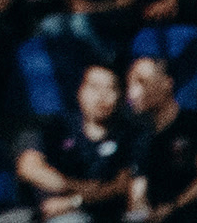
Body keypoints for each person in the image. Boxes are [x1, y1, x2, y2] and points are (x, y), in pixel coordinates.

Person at [16, 64, 136, 223]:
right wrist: (78, 187)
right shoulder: (56, 127)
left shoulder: (129, 134)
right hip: (44, 213)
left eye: (110, 88)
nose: (102, 96)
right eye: (94, 87)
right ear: (80, 90)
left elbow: (120, 186)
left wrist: (75, 200)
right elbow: (29, 168)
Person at [125, 57, 197, 223]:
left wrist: (172, 207)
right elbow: (138, 186)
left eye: (142, 82)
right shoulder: (140, 138)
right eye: (130, 84)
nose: (133, 92)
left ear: (167, 83)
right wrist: (140, 210)